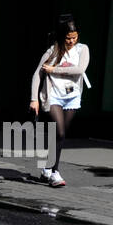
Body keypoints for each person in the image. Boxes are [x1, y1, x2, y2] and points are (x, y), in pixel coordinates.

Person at [29, 16, 89, 188]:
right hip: (53, 95)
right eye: (68, 38)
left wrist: (54, 69)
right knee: (60, 132)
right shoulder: (52, 52)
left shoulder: (82, 49)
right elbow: (37, 75)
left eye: (74, 37)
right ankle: (54, 173)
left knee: (59, 135)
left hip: (72, 96)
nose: (71, 41)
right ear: (62, 36)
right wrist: (34, 99)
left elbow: (80, 70)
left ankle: (46, 170)